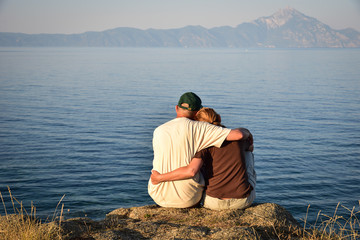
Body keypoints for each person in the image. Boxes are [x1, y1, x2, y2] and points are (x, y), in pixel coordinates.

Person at [148, 92, 252, 208]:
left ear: (176, 108)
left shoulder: (158, 130)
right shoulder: (202, 127)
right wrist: (247, 132)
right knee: (246, 151)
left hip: (157, 193)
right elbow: (238, 135)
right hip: (188, 198)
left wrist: (159, 178)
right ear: (197, 113)